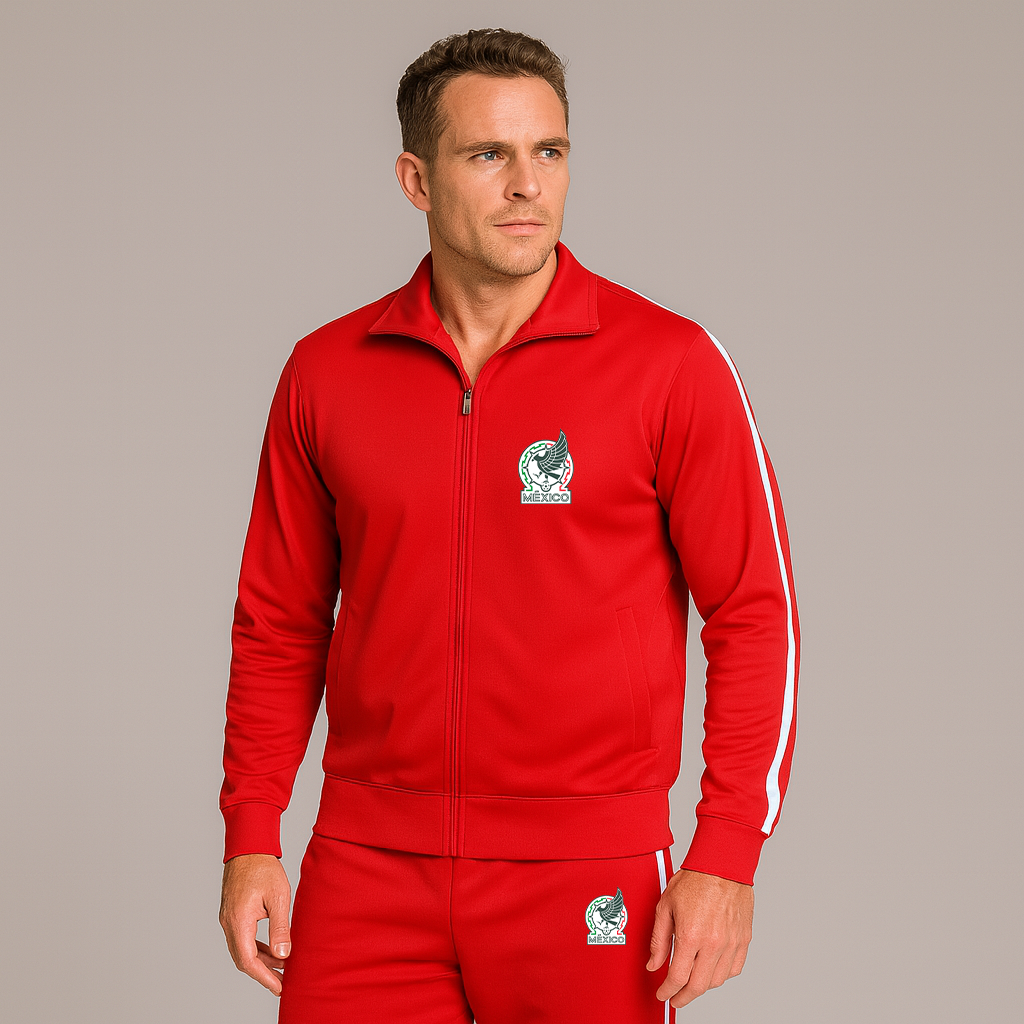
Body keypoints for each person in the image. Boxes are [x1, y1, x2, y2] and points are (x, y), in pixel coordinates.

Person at [218, 27, 800, 1024]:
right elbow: (279, 620)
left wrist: (727, 853)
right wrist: (251, 831)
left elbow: (756, 613)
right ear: (416, 179)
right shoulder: (327, 372)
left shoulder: (668, 365)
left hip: (588, 868)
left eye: (549, 151)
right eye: (489, 154)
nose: (528, 184)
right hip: (368, 866)